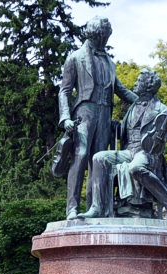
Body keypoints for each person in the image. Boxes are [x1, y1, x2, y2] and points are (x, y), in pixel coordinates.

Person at [58, 16, 138, 219]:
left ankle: (96, 207)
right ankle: (72, 208)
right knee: (81, 155)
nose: (107, 40)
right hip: (84, 112)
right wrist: (65, 118)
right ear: (97, 35)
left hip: (104, 114)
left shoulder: (109, 63)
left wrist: (145, 101)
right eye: (105, 36)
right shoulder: (75, 58)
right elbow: (64, 91)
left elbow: (120, 89)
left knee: (100, 161)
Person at [78, 69, 167, 220]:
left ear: (148, 85)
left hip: (148, 153)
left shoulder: (162, 109)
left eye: (139, 81)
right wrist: (117, 128)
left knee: (135, 167)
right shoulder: (133, 107)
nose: (135, 84)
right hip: (128, 151)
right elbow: (125, 134)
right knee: (99, 158)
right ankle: (97, 208)